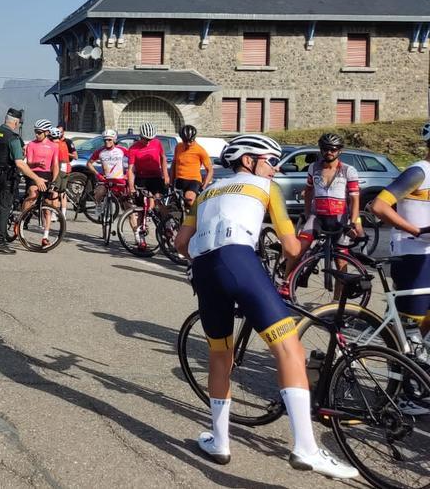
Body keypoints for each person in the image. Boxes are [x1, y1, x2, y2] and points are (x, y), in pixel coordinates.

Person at [174, 134, 357, 479]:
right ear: (248, 161)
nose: (275, 169)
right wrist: (292, 261)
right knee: (290, 350)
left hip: (204, 269)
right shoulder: (263, 186)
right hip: (238, 260)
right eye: (270, 161)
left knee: (220, 355)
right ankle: (306, 447)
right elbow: (290, 247)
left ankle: (220, 442)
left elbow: (181, 243)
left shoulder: (206, 192)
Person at [369, 122, 430, 352]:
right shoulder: (419, 172)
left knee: (425, 324)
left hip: (428, 255)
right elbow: (379, 206)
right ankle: (407, 377)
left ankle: (409, 366)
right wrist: (415, 230)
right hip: (412, 254)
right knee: (410, 325)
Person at [287, 133, 363, 286]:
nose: (329, 152)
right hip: (317, 217)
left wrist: (353, 222)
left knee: (341, 262)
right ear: (321, 150)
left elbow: (355, 199)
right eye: (325, 149)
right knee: (297, 250)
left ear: (339, 151)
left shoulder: (349, 170)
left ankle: (337, 300)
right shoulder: (313, 168)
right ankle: (285, 284)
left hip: (339, 219)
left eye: (333, 149)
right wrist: (308, 213)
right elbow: (308, 191)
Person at [0, 109, 49, 254]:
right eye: (18, 123)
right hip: (6, 177)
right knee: (3, 209)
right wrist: (36, 178)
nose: (17, 126)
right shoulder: (13, 138)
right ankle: (0, 243)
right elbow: (20, 163)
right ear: (15, 122)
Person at [126, 122, 171, 249]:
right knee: (141, 210)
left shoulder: (157, 143)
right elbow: (130, 169)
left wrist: (166, 175)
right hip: (142, 178)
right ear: (141, 136)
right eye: (145, 139)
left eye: (150, 139)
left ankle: (168, 226)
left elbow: (163, 158)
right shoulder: (134, 148)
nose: (148, 142)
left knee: (159, 201)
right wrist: (131, 187)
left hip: (156, 177)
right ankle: (141, 239)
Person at [19, 121, 60, 247]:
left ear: (47, 132)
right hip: (34, 173)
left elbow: (55, 165)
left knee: (48, 207)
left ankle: (45, 236)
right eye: (35, 132)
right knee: (33, 193)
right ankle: (21, 219)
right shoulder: (31, 144)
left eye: (39, 132)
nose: (36, 134)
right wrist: (37, 164)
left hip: (47, 174)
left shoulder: (53, 146)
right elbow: (29, 163)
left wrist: (54, 181)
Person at [171, 125, 213, 208]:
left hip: (193, 180)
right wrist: (170, 180)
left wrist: (203, 186)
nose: (188, 143)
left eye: (191, 141)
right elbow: (174, 164)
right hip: (179, 179)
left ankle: (197, 218)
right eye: (186, 141)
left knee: (189, 199)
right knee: (175, 205)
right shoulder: (178, 147)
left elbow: (210, 170)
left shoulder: (200, 150)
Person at [87, 129, 129, 206]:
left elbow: (132, 162)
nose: (107, 142)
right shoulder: (100, 151)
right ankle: (98, 209)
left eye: (109, 140)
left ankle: (131, 217)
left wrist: (127, 174)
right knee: (98, 194)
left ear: (114, 140)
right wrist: (98, 174)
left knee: (126, 204)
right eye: (105, 140)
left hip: (120, 180)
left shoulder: (122, 150)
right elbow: (89, 164)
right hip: (106, 180)